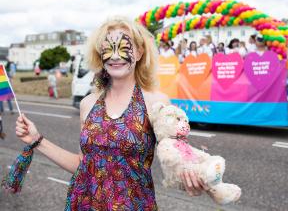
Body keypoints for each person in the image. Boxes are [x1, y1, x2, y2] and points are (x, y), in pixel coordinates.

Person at [15, 16, 206, 210]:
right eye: (108, 49)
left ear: (139, 52)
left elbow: (178, 156)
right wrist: (36, 139)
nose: (115, 56)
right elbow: (83, 165)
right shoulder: (88, 104)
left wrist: (190, 175)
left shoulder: (156, 102)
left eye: (124, 48)